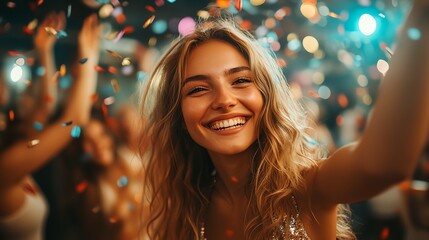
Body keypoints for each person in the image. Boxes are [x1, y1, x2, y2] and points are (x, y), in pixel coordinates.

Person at [138, 0, 429, 238]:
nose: (224, 100)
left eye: (240, 81)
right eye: (199, 89)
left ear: (267, 96)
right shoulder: (185, 211)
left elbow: (383, 166)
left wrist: (420, 20)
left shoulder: (309, 188)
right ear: (178, 113)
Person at [0, 14, 101, 240]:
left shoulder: (10, 151)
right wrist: (89, 58)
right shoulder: (5, 168)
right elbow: (74, 121)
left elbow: (45, 107)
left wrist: (43, 50)